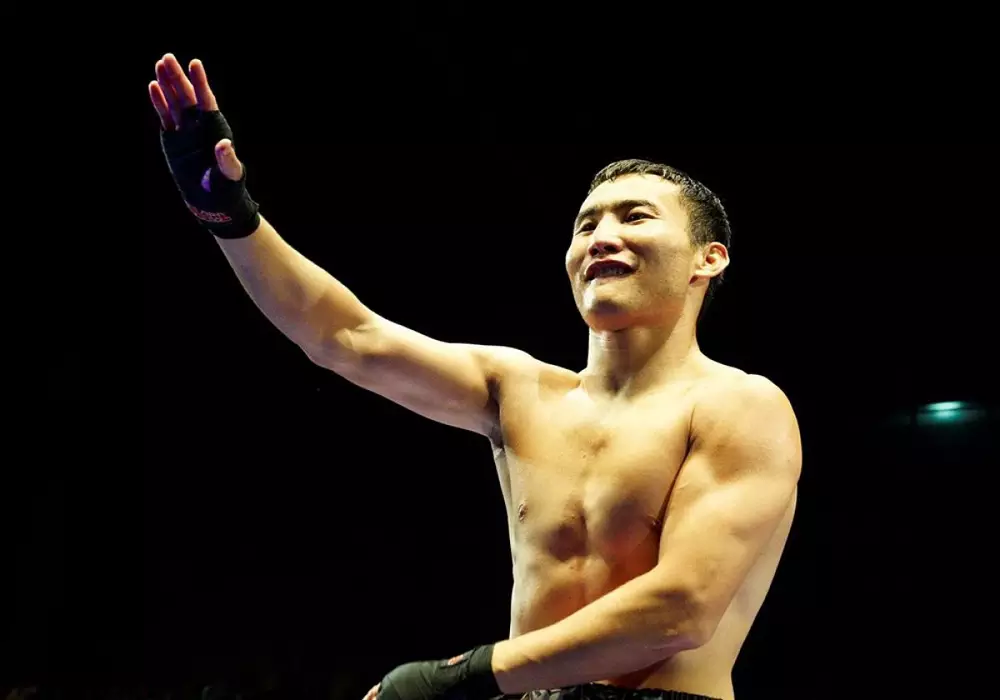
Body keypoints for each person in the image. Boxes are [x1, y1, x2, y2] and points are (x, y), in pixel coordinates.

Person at [148, 53, 802, 700]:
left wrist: (462, 674)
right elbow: (345, 338)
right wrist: (228, 212)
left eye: (635, 217)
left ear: (707, 259)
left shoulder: (740, 405)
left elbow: (682, 609)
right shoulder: (519, 390)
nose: (601, 237)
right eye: (586, 224)